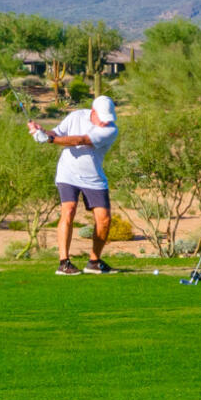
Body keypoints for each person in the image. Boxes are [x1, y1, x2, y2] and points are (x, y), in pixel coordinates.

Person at [31, 94, 122, 274]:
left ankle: (94, 262)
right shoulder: (77, 116)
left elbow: (80, 140)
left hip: (93, 177)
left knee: (104, 219)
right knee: (69, 210)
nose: (105, 122)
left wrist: (48, 139)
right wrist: (42, 132)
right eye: (102, 118)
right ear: (93, 112)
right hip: (68, 173)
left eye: (108, 118)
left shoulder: (111, 130)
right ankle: (64, 262)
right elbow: (57, 133)